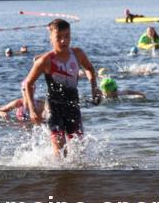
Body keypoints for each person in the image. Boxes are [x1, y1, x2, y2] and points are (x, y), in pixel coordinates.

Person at [22, 19, 101, 159]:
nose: (64, 41)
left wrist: (94, 88)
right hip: (54, 107)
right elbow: (28, 84)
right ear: (51, 38)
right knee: (60, 151)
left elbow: (90, 69)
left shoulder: (77, 54)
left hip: (73, 106)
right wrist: (32, 110)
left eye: (67, 36)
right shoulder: (45, 60)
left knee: (79, 150)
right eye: (59, 37)